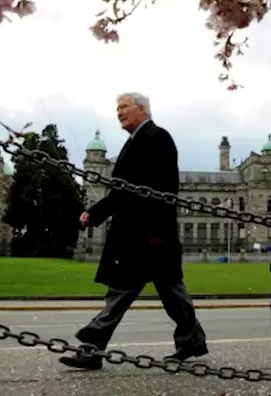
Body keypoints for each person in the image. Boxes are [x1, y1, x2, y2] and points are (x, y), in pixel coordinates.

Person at [59, 92, 208, 370]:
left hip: (148, 236)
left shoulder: (157, 138)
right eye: (117, 108)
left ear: (141, 109)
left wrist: (151, 230)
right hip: (140, 236)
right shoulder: (136, 142)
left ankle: (92, 349)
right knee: (167, 295)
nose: (119, 112)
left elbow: (162, 189)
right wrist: (96, 213)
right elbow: (124, 190)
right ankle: (191, 341)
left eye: (123, 107)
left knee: (126, 294)